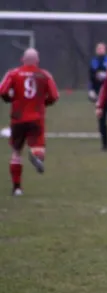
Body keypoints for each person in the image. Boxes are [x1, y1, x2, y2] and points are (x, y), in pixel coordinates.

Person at [0, 48, 59, 196]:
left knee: (16, 152)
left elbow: (2, 90)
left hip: (18, 118)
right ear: (37, 61)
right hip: (36, 117)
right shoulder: (44, 75)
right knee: (38, 146)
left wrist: (9, 98)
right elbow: (54, 95)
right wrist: (44, 103)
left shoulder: (13, 73)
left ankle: (17, 188)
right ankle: (36, 155)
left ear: (22, 60)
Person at [88, 42, 107, 151]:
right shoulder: (93, 62)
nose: (100, 50)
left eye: (102, 48)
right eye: (98, 48)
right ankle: (104, 145)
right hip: (99, 96)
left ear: (105, 49)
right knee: (101, 121)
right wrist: (91, 90)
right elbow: (91, 78)